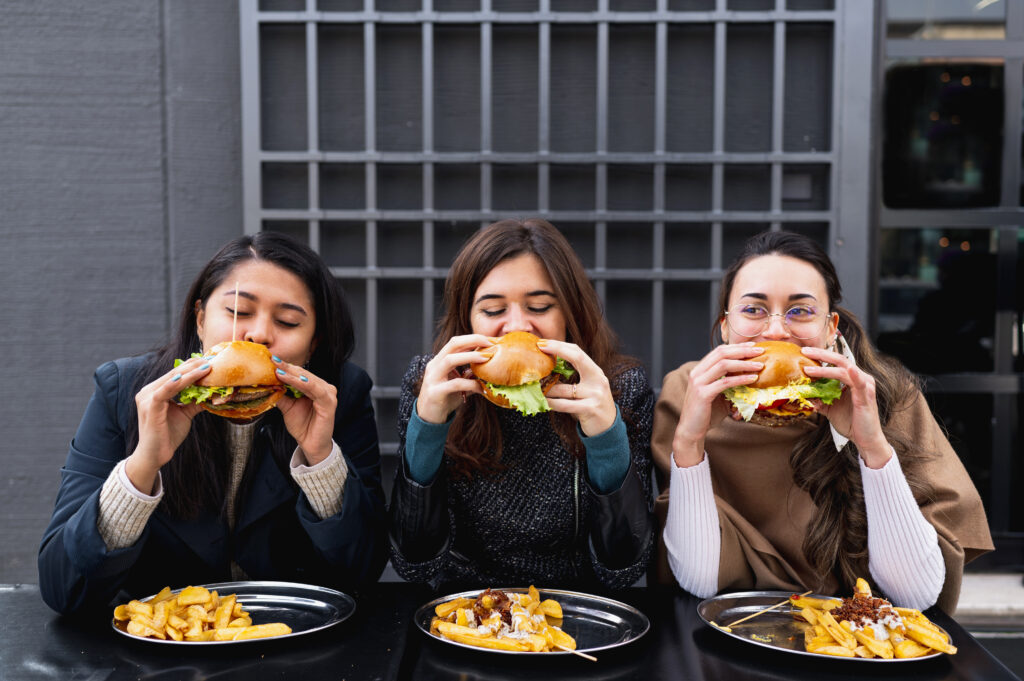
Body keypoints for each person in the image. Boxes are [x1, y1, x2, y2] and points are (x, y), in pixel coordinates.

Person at [39, 232, 387, 615]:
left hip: (295, 639)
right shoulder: (126, 391)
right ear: (201, 320)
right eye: (238, 312)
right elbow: (63, 589)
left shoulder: (339, 396)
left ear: (313, 344)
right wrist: (142, 467)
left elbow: (363, 572)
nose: (258, 334)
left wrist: (320, 458)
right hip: (163, 650)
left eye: (288, 321)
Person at [652, 230, 992, 612]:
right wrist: (690, 443)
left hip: (859, 641)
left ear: (831, 328)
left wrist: (872, 446)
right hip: (732, 631)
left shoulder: (886, 395)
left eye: (800, 311)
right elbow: (700, 581)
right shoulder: (688, 390)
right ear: (726, 326)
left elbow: (915, 596)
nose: (777, 330)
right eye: (753, 310)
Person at [389, 218, 654, 590]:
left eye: (540, 306)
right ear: (467, 319)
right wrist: (428, 428)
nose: (517, 327)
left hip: (575, 611)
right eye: (493, 311)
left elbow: (624, 568)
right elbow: (413, 564)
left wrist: (606, 438)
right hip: (464, 611)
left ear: (570, 314)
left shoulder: (620, 389)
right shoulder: (431, 383)